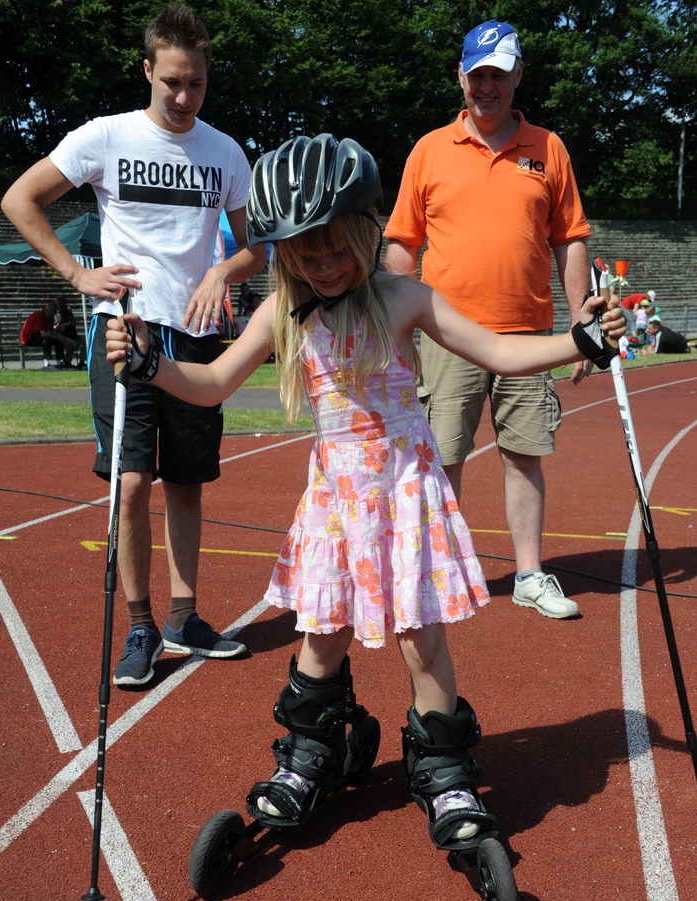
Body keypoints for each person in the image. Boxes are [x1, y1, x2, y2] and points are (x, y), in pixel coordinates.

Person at [104, 135, 623, 847]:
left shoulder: (401, 296)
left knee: (420, 640)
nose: (324, 267)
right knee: (321, 635)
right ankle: (310, 755)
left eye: (336, 250)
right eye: (305, 256)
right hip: (335, 504)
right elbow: (213, 383)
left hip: (406, 495)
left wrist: (582, 341)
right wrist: (150, 364)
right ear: (284, 254)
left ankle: (443, 769)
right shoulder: (284, 312)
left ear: (366, 233)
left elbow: (500, 350)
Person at [2, 3, 266, 686]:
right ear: (148, 69)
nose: (183, 98)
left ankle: (184, 617)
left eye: (196, 85)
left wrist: (221, 268)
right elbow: (19, 199)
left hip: (196, 337)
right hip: (125, 330)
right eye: (172, 82)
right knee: (130, 482)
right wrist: (75, 272)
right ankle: (142, 626)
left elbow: (257, 249)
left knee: (186, 482)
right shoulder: (105, 137)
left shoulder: (226, 152)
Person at [384, 20, 597, 620]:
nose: (487, 87)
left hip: (527, 333)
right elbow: (401, 245)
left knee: (524, 453)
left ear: (517, 75)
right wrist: (397, 328)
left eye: (498, 75)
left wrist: (581, 321)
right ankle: (437, 568)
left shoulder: (548, 147)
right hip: (446, 332)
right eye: (478, 75)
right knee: (441, 454)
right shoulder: (428, 149)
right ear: (461, 76)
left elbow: (571, 239)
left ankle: (529, 573)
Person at [19, 301, 63, 367]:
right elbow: (43, 334)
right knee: (47, 339)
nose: (55, 314)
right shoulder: (40, 316)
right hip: (29, 338)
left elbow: (50, 331)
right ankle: (46, 362)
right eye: (54, 312)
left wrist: (58, 334)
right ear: (50, 311)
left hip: (38, 335)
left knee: (58, 340)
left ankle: (59, 362)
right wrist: (57, 336)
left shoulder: (49, 318)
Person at [53, 295, 81, 367]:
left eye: (62, 304)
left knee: (86, 340)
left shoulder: (68, 312)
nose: (61, 305)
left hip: (71, 333)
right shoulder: (54, 313)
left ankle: (82, 361)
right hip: (60, 335)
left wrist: (68, 324)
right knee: (72, 344)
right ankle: (67, 361)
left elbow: (74, 322)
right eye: (59, 303)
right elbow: (51, 326)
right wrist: (58, 327)